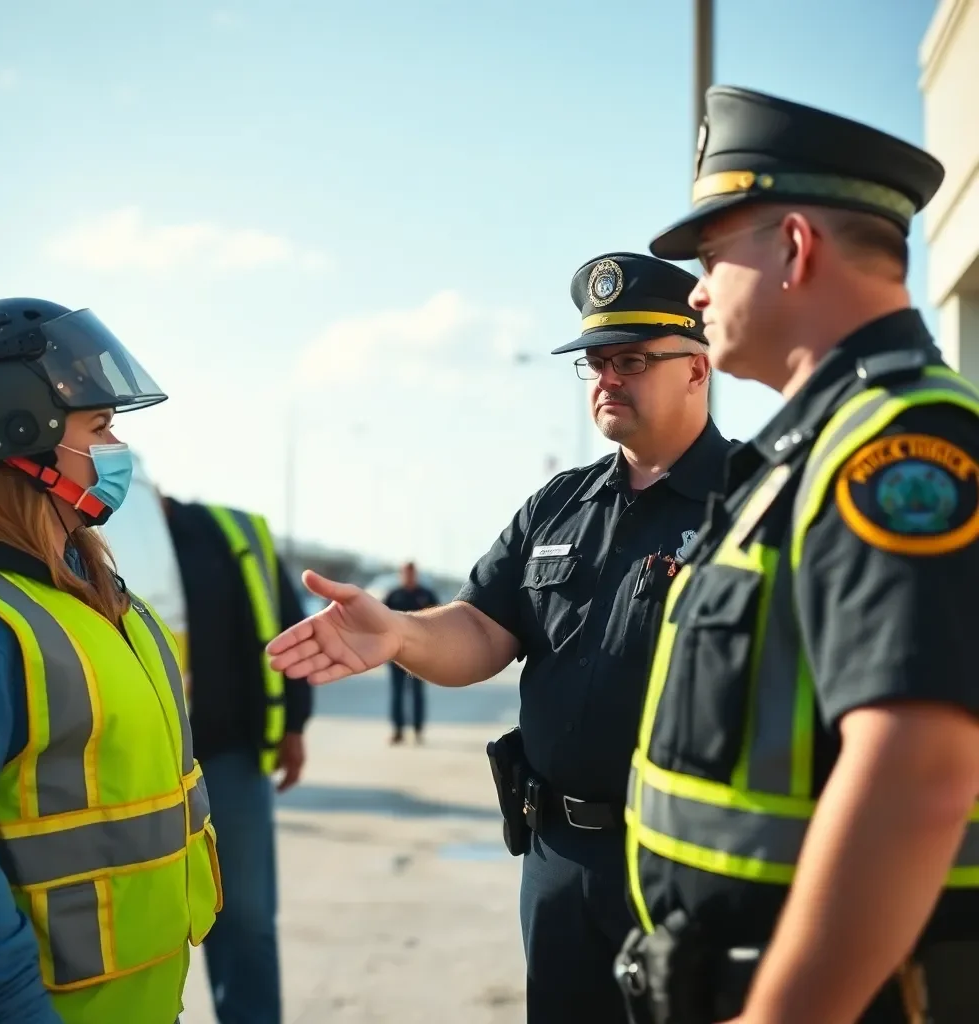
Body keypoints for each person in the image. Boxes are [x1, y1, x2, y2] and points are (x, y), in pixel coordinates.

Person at [266, 253, 735, 1024]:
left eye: (632, 361)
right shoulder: (559, 504)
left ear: (697, 369)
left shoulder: (750, 502)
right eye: (594, 363)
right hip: (557, 857)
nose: (606, 379)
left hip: (683, 862)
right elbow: (483, 629)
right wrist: (400, 634)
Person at [615, 85, 979, 1024]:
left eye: (708, 257)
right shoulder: (808, 450)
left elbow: (918, 775)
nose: (694, 292)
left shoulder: (901, 449)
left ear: (792, 246)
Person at [0, 298, 221, 1024]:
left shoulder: (98, 595)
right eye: (99, 426)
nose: (116, 447)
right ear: (19, 432)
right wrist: (12, 1009)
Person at [161, 496, 312, 1024]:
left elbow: (284, 624)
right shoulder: (75, 528)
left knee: (245, 921)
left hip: (228, 759)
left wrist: (293, 724)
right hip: (131, 770)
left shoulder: (224, 534)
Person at [382, 562, 438, 744]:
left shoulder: (426, 595)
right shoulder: (393, 595)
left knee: (417, 694)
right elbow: (381, 620)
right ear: (401, 574)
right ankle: (397, 730)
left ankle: (418, 730)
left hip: (419, 654)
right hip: (396, 653)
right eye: (406, 573)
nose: (409, 576)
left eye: (412, 573)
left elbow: (439, 620)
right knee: (397, 693)